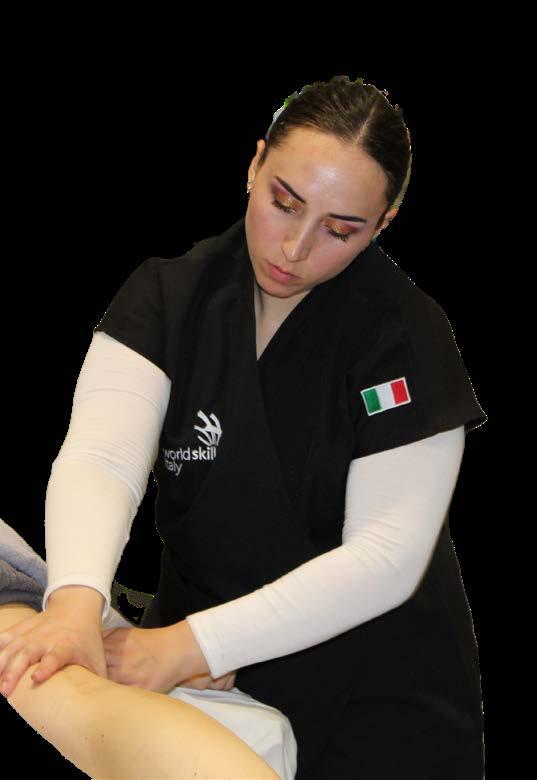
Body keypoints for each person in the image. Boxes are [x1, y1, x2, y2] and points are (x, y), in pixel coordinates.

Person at [0, 75, 487, 778]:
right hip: (205, 678)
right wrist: (76, 602)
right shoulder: (170, 294)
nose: (294, 247)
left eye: (340, 230)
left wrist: (189, 646)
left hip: (377, 699)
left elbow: (386, 555)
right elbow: (102, 458)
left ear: (383, 224)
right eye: (283, 203)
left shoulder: (405, 338)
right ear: (255, 164)